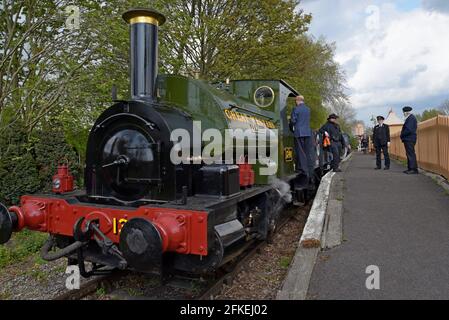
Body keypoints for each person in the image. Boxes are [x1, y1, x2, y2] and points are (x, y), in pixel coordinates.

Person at [290, 95, 313, 177]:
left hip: (299, 132)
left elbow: (293, 120)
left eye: (295, 101)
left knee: (300, 151)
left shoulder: (296, 109)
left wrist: (290, 125)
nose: (295, 103)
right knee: (306, 151)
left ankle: (303, 169)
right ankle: (305, 167)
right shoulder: (308, 109)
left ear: (297, 100)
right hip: (307, 132)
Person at [400, 106, 418, 174]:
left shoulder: (410, 118)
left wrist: (402, 135)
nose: (403, 114)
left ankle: (413, 169)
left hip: (409, 138)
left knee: (410, 154)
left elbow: (408, 130)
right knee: (410, 154)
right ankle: (410, 168)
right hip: (409, 138)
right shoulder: (410, 118)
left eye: (404, 112)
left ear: (406, 112)